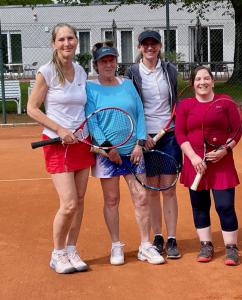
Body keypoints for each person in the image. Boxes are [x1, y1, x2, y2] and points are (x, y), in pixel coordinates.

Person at [85, 40, 165, 265]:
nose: (108, 64)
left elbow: (140, 113)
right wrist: (109, 148)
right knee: (112, 199)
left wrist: (140, 143)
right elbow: (93, 122)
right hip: (107, 155)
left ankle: (145, 245)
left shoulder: (128, 84)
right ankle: (116, 245)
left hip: (134, 152)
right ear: (96, 64)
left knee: (141, 197)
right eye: (103, 61)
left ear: (116, 62)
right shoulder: (90, 88)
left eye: (112, 60)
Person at [27, 23, 95, 274]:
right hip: (57, 144)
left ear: (77, 41)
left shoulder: (80, 71)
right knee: (68, 204)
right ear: (54, 43)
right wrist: (60, 130)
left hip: (82, 144)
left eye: (71, 38)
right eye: (62, 39)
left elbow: (82, 108)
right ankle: (57, 253)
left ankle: (72, 249)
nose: (67, 43)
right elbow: (32, 109)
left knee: (79, 201)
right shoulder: (46, 72)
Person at [175, 66, 242, 266]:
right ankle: (206, 245)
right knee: (200, 205)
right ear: (192, 83)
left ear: (213, 81)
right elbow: (181, 134)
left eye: (206, 78)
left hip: (222, 163)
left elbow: (236, 132)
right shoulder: (185, 106)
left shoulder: (225, 102)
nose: (202, 82)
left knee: (225, 205)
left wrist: (225, 149)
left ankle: (231, 248)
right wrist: (194, 158)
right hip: (194, 163)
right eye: (198, 79)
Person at [125, 30, 182, 259]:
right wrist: (141, 137)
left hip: (168, 135)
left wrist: (172, 127)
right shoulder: (132, 72)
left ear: (160, 46)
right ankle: (157, 237)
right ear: (139, 47)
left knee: (168, 189)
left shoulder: (170, 70)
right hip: (144, 138)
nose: (150, 48)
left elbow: (175, 102)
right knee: (151, 190)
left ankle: (172, 238)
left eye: (154, 44)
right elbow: (132, 106)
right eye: (145, 44)